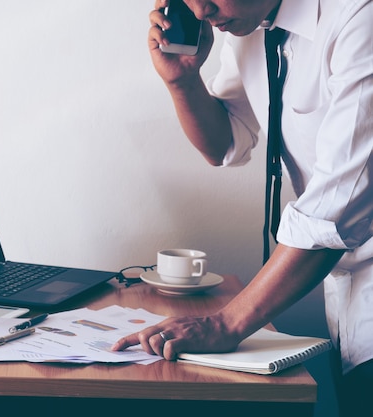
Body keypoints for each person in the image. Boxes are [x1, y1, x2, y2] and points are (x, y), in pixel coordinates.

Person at [111, 1, 373, 415]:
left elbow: (337, 209)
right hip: (345, 300)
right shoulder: (249, 22)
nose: (200, 11)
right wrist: (183, 83)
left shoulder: (360, 18)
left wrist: (224, 323)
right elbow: (225, 143)